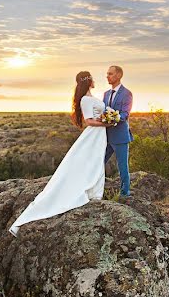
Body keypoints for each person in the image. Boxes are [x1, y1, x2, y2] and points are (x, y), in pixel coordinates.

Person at [8, 71, 107, 236]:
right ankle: (91, 191)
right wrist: (107, 123)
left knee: (95, 160)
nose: (94, 80)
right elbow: (88, 121)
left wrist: (109, 120)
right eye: (92, 78)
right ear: (89, 81)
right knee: (92, 160)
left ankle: (95, 191)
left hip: (99, 134)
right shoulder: (85, 99)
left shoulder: (91, 97)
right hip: (94, 133)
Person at [103, 65, 133, 198]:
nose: (107, 76)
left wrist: (113, 118)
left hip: (120, 136)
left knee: (122, 167)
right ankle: (95, 189)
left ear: (119, 75)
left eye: (110, 74)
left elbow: (125, 114)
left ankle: (125, 194)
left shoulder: (127, 93)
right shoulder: (106, 94)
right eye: (107, 74)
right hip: (105, 136)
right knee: (98, 162)